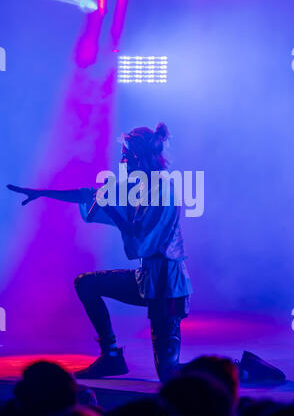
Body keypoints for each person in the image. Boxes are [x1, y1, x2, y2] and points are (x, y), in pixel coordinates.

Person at [7, 122, 192, 382]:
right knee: (87, 285)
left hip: (166, 285)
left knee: (169, 373)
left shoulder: (162, 190)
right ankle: (112, 355)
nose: (123, 159)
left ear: (138, 155)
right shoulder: (139, 187)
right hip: (147, 278)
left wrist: (113, 210)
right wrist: (43, 193)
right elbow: (89, 195)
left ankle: (241, 368)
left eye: (126, 153)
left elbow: (141, 239)